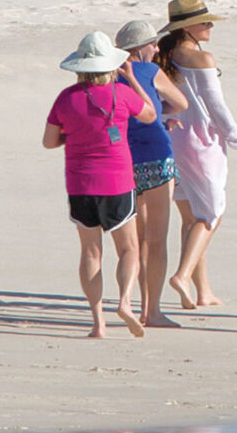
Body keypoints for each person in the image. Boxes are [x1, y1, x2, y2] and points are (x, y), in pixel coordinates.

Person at [43, 31, 155, 339]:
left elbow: (48, 141)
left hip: (80, 184)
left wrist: (74, 136)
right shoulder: (122, 94)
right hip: (118, 181)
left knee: (91, 252)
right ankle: (125, 303)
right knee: (129, 248)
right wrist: (132, 79)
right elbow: (150, 114)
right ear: (111, 65)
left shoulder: (66, 98)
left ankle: (98, 322)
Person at [157, 0, 237, 309]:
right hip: (202, 144)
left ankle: (202, 292)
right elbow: (218, 110)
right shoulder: (202, 60)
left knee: (191, 218)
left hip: (174, 141)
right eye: (204, 21)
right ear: (187, 28)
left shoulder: (163, 55)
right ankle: (182, 276)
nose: (211, 25)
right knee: (212, 215)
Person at [113, 19, 191, 328]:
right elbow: (181, 102)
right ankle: (152, 310)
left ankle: (130, 302)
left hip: (123, 161)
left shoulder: (107, 77)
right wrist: (161, 116)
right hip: (156, 158)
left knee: (137, 240)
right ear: (139, 49)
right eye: (153, 44)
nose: (157, 49)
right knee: (157, 241)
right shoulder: (149, 72)